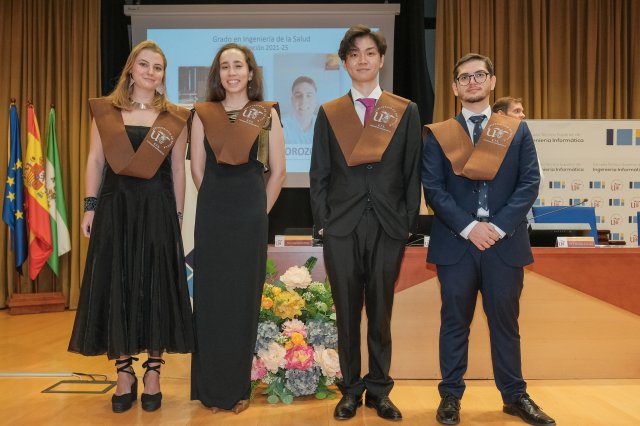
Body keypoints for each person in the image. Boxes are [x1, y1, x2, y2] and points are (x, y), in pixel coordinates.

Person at [422, 53, 555, 426]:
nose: (473, 82)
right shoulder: (439, 134)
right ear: (454, 88)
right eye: (464, 77)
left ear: (492, 81)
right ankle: (450, 396)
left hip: (504, 243)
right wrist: (470, 227)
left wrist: (496, 227)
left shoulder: (516, 131)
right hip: (456, 244)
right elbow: (433, 189)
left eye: (479, 75)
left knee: (505, 324)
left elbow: (529, 182)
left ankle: (514, 397)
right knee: (454, 323)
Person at [68, 40, 195, 413]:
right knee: (117, 283)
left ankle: (153, 372)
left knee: (156, 285)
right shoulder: (106, 112)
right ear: (130, 68)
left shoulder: (174, 117)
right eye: (144, 64)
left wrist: (178, 217)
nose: (150, 72)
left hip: (157, 210)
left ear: (162, 75)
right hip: (115, 209)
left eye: (158, 67)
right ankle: (124, 373)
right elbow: (95, 160)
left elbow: (177, 169)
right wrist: (90, 207)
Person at [310, 25, 421, 421]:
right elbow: (319, 172)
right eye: (354, 54)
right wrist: (323, 222)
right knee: (346, 314)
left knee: (381, 312)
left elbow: (412, 171)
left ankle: (379, 390)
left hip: (388, 226)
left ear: (381, 59)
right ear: (345, 62)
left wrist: (407, 222)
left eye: (370, 52)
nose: (362, 60)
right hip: (341, 227)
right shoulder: (330, 113)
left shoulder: (404, 110)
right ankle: (350, 390)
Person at [189, 43, 285, 414]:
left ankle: (237, 389)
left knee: (243, 301)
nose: (232, 72)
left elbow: (278, 172)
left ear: (250, 72)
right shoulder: (202, 114)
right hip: (213, 216)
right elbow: (198, 169)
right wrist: (218, 205)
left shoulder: (267, 113)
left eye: (238, 66)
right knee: (211, 300)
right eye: (225, 66)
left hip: (250, 216)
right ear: (218, 74)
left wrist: (257, 211)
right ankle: (211, 390)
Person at [282, 76, 318, 145]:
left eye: (309, 95)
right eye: (298, 95)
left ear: (315, 101)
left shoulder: (324, 125)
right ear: (292, 100)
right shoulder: (280, 125)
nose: (303, 101)